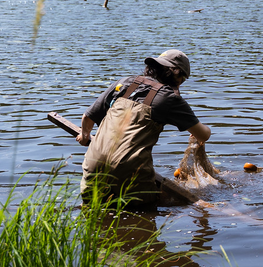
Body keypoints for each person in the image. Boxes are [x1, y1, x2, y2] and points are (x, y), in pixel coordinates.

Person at [77, 49, 211, 207]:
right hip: (131, 182)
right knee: (172, 207)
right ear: (176, 74)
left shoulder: (124, 83)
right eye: (183, 79)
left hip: (91, 174)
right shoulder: (170, 98)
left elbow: (88, 117)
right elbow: (203, 135)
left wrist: (85, 136)